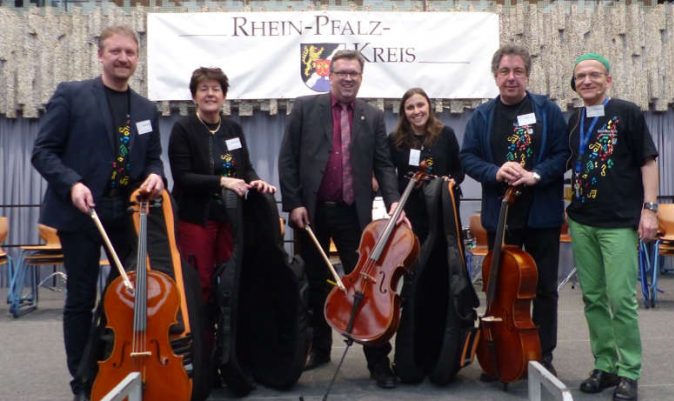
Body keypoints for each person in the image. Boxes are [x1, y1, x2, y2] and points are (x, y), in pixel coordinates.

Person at [31, 25, 165, 401]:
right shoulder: (72, 96)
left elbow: (153, 159)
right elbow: (43, 151)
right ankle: (82, 379)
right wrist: (71, 183)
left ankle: (115, 364)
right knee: (79, 299)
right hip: (82, 214)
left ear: (137, 59)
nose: (123, 58)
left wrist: (156, 175)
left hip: (125, 214)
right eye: (116, 51)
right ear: (101, 54)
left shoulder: (145, 109)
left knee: (127, 294)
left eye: (130, 53)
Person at [278, 49, 404, 389]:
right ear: (329, 76)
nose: (348, 78)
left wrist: (393, 201)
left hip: (355, 215)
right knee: (315, 285)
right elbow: (287, 158)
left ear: (361, 78)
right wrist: (293, 203)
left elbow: (383, 164)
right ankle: (318, 349)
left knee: (365, 289)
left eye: (354, 73)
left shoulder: (372, 116)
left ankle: (378, 361)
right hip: (313, 212)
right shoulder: (305, 109)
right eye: (341, 72)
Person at [459, 44, 569, 376]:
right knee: (499, 289)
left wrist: (535, 175)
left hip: (542, 216)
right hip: (501, 215)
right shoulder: (481, 116)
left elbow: (563, 154)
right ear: (495, 76)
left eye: (517, 71)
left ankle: (542, 354)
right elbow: (468, 157)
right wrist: (495, 172)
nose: (511, 78)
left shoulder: (548, 110)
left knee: (545, 290)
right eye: (505, 71)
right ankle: (501, 348)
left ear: (527, 74)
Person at [567, 53, 658, 401]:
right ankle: (605, 365)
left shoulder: (627, 112)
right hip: (581, 221)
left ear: (608, 79)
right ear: (575, 85)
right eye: (580, 77)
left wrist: (649, 209)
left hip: (619, 222)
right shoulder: (573, 119)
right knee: (592, 298)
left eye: (594, 75)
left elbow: (647, 162)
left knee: (621, 299)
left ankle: (629, 371)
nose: (586, 81)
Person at [168, 66, 275, 310]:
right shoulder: (183, 129)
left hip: (230, 217)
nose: (210, 94)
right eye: (203, 89)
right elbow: (183, 177)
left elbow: (245, 168)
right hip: (196, 219)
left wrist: (256, 180)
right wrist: (221, 181)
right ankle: (202, 341)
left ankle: (227, 341)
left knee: (231, 280)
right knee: (201, 281)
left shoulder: (233, 128)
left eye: (216, 89)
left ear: (224, 95)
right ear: (194, 96)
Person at [388, 87, 464, 239]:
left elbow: (459, 169)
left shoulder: (446, 133)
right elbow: (388, 174)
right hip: (411, 209)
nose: (416, 111)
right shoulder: (395, 139)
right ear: (404, 112)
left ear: (429, 106)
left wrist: (452, 181)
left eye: (420, 105)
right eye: (410, 107)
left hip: (441, 207)